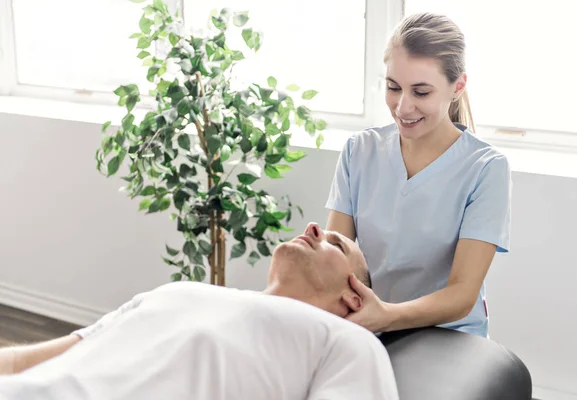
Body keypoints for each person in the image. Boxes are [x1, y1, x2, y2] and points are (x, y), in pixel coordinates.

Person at [0, 223, 399, 400]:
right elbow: (23, 362)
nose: (313, 228)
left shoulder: (346, 343)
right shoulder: (178, 291)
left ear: (355, 299)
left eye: (335, 244)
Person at [326, 12, 511, 339]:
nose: (402, 107)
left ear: (458, 87)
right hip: (367, 322)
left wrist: (383, 316)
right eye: (393, 87)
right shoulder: (359, 150)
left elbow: (462, 295)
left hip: (445, 334)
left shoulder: (485, 168)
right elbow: (334, 261)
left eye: (421, 92)